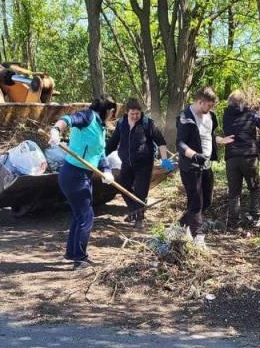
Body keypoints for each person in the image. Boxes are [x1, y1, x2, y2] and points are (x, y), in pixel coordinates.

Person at [48, 95, 118, 270]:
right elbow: (67, 119)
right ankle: (80, 259)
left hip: (84, 175)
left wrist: (107, 170)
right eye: (112, 113)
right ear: (109, 110)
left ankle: (72, 253)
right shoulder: (88, 116)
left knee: (80, 215)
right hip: (74, 174)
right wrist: (56, 130)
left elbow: (100, 152)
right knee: (86, 216)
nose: (112, 116)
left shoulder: (100, 127)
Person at [176, 87, 233, 249]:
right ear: (200, 102)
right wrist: (194, 155)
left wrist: (221, 140)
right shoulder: (185, 117)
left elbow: (209, 135)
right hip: (190, 165)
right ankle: (198, 237)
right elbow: (180, 143)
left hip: (206, 165)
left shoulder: (211, 116)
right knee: (196, 201)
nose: (210, 108)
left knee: (206, 201)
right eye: (209, 105)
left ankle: (179, 227)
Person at [107, 98, 173, 227]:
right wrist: (101, 157)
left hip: (144, 164)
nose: (135, 116)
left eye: (137, 113)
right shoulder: (121, 123)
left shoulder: (148, 123)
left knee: (141, 191)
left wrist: (165, 159)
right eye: (132, 114)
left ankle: (139, 219)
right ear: (126, 112)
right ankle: (134, 211)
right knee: (123, 186)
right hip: (126, 162)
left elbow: (161, 141)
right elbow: (112, 143)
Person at [222, 89, 260, 225]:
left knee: (234, 192)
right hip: (249, 156)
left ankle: (234, 221)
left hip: (231, 156)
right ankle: (255, 217)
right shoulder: (250, 113)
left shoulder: (226, 115)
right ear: (243, 101)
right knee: (254, 187)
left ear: (230, 101)